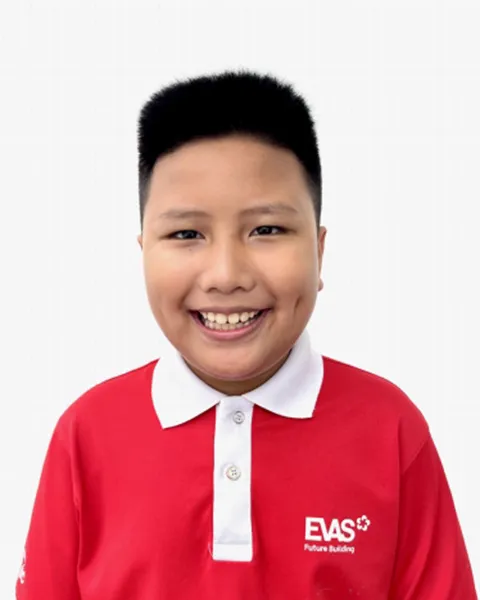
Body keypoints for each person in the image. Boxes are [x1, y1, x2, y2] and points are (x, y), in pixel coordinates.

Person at [15, 70, 477, 599]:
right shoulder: (86, 434)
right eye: (186, 233)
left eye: (267, 230)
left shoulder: (391, 429)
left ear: (319, 250)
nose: (226, 274)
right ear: (143, 252)